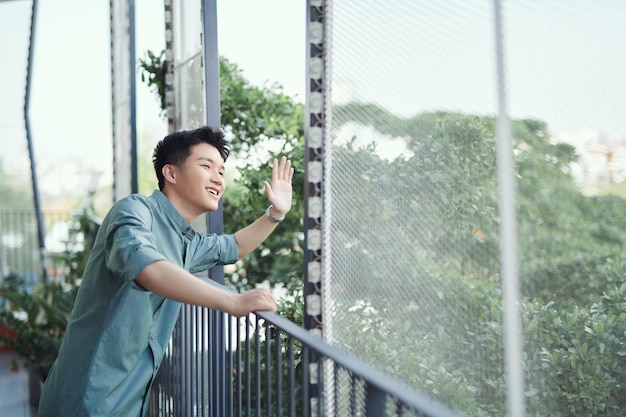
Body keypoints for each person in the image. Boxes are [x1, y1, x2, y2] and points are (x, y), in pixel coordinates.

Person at [38, 125, 293, 416]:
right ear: (170, 173)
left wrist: (276, 214)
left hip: (127, 402)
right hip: (84, 399)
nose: (218, 178)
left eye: (221, 171)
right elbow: (147, 267)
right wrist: (233, 302)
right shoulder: (134, 211)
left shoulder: (185, 241)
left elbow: (233, 247)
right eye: (206, 166)